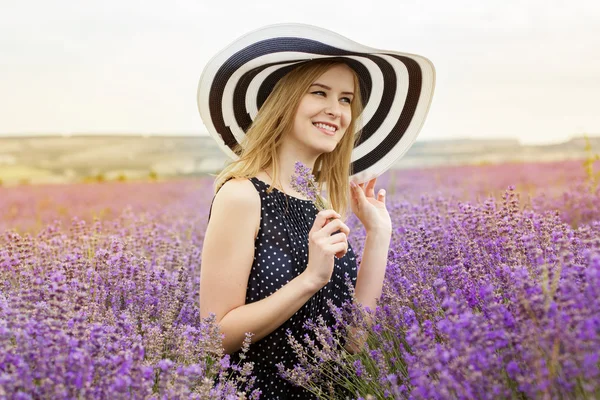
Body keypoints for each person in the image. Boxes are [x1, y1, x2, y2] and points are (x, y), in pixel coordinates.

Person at [198, 24, 435, 399]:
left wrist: (378, 237)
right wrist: (310, 278)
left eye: (346, 99)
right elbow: (215, 339)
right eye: (319, 92)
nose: (335, 110)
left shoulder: (320, 205)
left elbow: (352, 341)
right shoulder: (242, 196)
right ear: (285, 101)